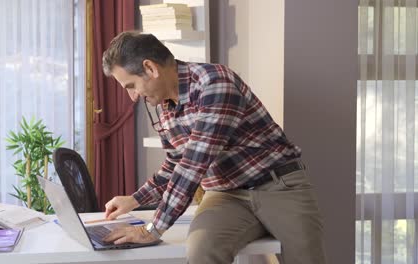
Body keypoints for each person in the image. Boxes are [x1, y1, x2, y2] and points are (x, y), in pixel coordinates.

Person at [101, 31, 327, 264]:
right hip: (225, 195)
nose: (133, 96)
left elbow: (194, 164)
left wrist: (152, 229)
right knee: (201, 253)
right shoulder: (165, 107)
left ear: (150, 68)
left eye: (131, 85)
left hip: (279, 187)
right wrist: (135, 199)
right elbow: (176, 163)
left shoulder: (214, 82)